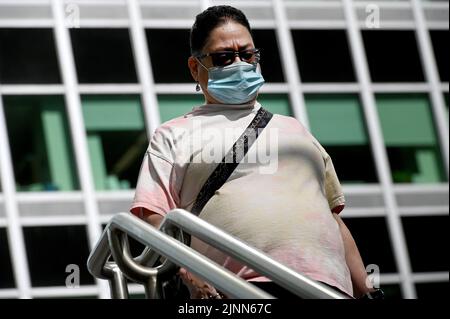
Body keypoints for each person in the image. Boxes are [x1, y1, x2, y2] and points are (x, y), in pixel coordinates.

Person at [130, 5, 379, 299]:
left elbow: (333, 219)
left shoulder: (296, 130)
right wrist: (190, 272)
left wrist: (369, 290)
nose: (239, 63)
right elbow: (153, 217)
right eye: (224, 57)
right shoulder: (173, 134)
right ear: (196, 68)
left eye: (247, 55)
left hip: (327, 289)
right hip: (239, 290)